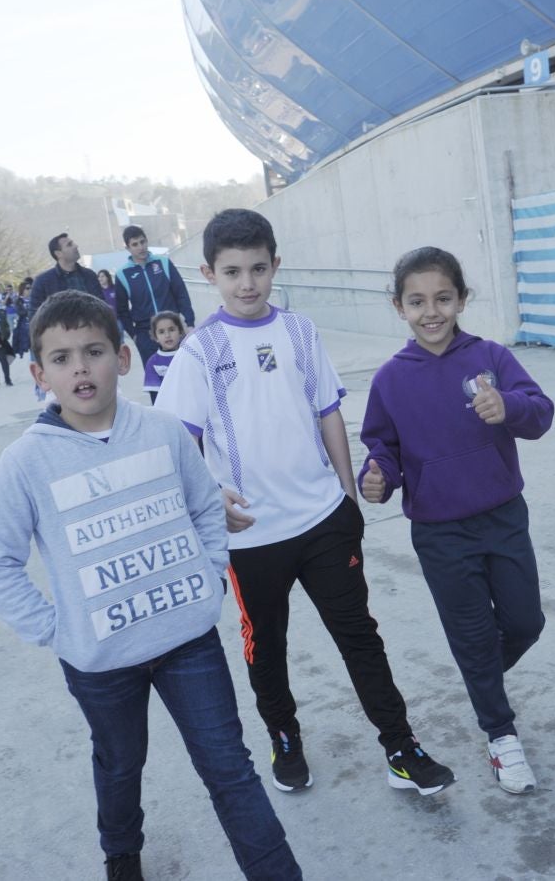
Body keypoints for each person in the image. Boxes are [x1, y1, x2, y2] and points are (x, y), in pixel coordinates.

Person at [0, 290, 301, 881]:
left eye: (94, 351)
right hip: (101, 663)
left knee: (230, 769)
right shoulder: (25, 462)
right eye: (62, 357)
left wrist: (207, 581)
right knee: (121, 764)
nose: (80, 368)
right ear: (38, 372)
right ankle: (121, 851)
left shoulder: (163, 430)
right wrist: (57, 628)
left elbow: (206, 508)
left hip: (188, 644)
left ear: (122, 359)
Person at [156, 208, 455, 797]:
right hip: (250, 534)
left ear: (275, 266)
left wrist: (347, 495)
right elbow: (176, 442)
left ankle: (400, 745)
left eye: (259, 269)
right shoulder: (199, 351)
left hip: (323, 521)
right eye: (233, 272)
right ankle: (284, 735)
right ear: (208, 274)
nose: (248, 284)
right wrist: (209, 497)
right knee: (266, 646)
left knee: (359, 636)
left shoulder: (300, 331)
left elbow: (328, 414)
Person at [358, 246, 554, 794]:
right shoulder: (391, 379)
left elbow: (540, 413)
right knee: (470, 635)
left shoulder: (490, 357)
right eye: (417, 301)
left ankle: (481, 677)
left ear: (462, 299)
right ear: (399, 307)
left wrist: (508, 409)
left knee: (524, 623)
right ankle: (501, 736)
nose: (432, 311)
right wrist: (377, 478)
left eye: (443, 298)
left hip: (503, 516)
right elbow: (383, 450)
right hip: (440, 531)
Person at [116, 225, 195, 369]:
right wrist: (135, 335)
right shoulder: (122, 274)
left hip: (172, 328)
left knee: (183, 371)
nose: (141, 247)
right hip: (146, 334)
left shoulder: (163, 262)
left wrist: (189, 322)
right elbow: (122, 310)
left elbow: (181, 293)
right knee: (155, 380)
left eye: (143, 242)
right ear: (128, 248)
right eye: (135, 244)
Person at [29, 234, 117, 329]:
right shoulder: (43, 281)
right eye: (69, 244)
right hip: (61, 339)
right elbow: (35, 316)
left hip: (91, 332)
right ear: (58, 253)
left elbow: (101, 306)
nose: (76, 246)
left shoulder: (89, 275)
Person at [141, 310, 185, 405]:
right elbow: (155, 397)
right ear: (155, 337)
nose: (167, 335)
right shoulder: (153, 362)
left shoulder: (189, 356)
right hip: (168, 412)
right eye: (161, 332)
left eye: (172, 330)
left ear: (180, 331)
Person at [11, 277, 33, 359]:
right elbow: (20, 312)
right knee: (33, 352)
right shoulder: (18, 301)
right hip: (25, 329)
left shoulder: (35, 299)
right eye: (27, 288)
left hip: (37, 327)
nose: (30, 290)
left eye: (31, 288)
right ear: (22, 290)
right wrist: (31, 310)